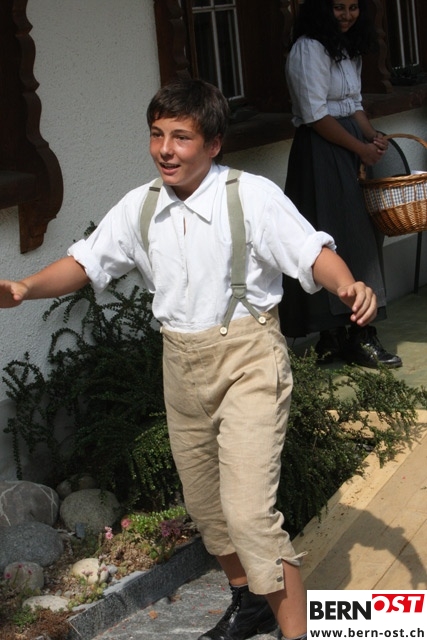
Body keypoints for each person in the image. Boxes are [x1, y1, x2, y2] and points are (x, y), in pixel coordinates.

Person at [0, 79, 377, 640]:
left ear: (214, 143)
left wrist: (347, 285)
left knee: (250, 515)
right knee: (207, 509)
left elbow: (310, 251)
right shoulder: (141, 206)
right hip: (180, 365)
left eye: (181, 137)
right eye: (157, 135)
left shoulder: (250, 196)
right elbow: (86, 262)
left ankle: (295, 632)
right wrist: (25, 287)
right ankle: (249, 602)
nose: (165, 150)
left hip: (249, 361)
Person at [279, 0, 402, 369]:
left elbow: (353, 104)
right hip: (321, 151)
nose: (347, 15)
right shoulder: (308, 49)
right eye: (338, 7)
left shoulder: (347, 48)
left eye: (353, 7)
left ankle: (355, 332)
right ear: (321, 9)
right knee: (330, 234)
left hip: (348, 148)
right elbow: (316, 116)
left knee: (360, 237)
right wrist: (360, 148)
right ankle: (339, 336)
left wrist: (372, 137)